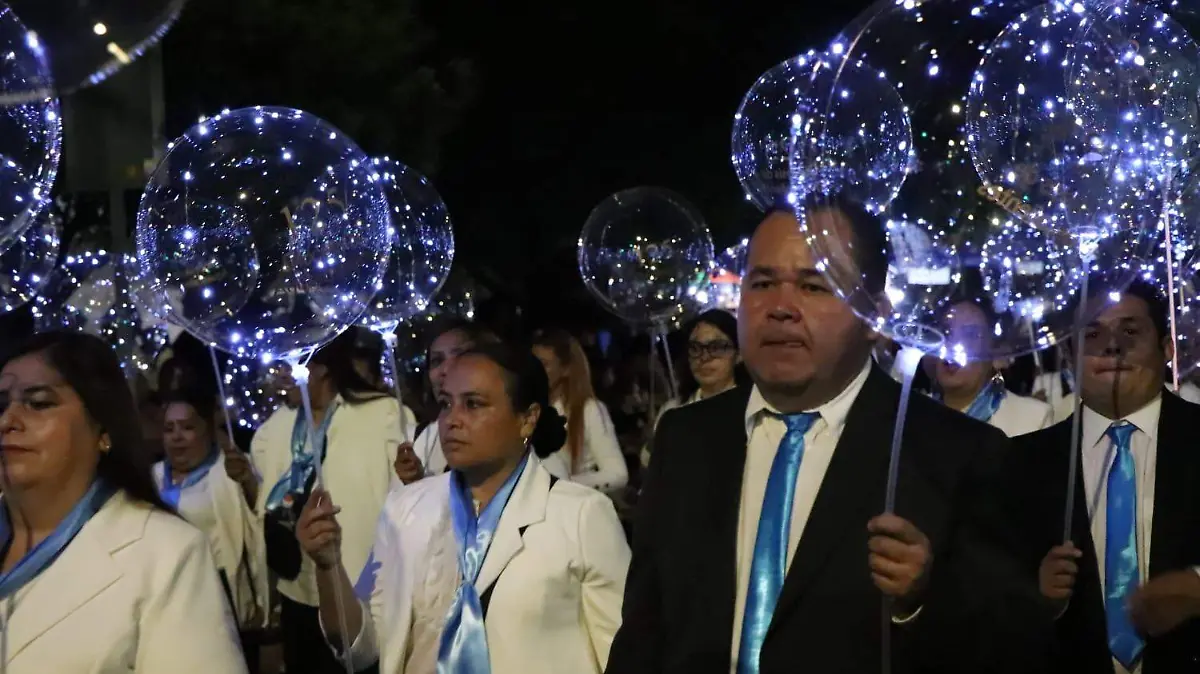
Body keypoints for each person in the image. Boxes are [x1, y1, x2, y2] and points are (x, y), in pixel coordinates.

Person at [605, 197, 1047, 674]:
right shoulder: (685, 438)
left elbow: (1014, 646)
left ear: (875, 317)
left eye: (815, 286)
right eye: (762, 283)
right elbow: (644, 630)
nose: (781, 308)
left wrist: (922, 598)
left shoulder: (954, 453)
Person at [297, 341, 631, 673]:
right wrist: (329, 567)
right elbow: (362, 649)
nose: (452, 420)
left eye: (473, 404)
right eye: (445, 404)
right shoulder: (405, 508)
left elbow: (622, 654)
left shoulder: (581, 515)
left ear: (527, 419)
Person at [0, 331, 246, 672]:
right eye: (0, 405)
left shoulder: (167, 553)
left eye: (39, 403)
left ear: (103, 429)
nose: (7, 421)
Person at [1006, 279, 1200, 673]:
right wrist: (1033, 596)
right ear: (1069, 354)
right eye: (1092, 334)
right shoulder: (1020, 463)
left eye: (1130, 331)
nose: (1112, 346)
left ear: (1166, 347)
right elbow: (985, 594)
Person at [251, 327, 416, 674]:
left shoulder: (381, 414)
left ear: (320, 365)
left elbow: (410, 499)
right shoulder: (276, 427)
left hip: (359, 589)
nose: (278, 371)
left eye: (287, 360)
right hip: (297, 592)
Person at [155, 391, 268, 669]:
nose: (177, 436)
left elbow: (260, 519)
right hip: (164, 595)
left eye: (187, 427)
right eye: (169, 429)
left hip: (217, 593)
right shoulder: (151, 477)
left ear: (207, 430)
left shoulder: (227, 472)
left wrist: (246, 482)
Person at [392, 319, 502, 484]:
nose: (446, 369)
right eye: (437, 360)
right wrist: (414, 485)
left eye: (459, 356)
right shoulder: (415, 439)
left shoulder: (501, 427)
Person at [931, 297, 1054, 437]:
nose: (953, 344)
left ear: (995, 351)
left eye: (970, 334)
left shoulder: (1033, 420)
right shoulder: (911, 410)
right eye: (947, 332)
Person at [642, 309, 747, 468]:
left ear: (738, 354)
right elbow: (649, 462)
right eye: (696, 348)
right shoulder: (674, 410)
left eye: (716, 347)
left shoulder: (751, 409)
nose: (704, 358)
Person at [532, 329, 628, 492]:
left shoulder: (588, 410)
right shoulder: (526, 410)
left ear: (566, 369)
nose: (535, 370)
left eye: (544, 364)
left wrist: (563, 483)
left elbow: (617, 474)